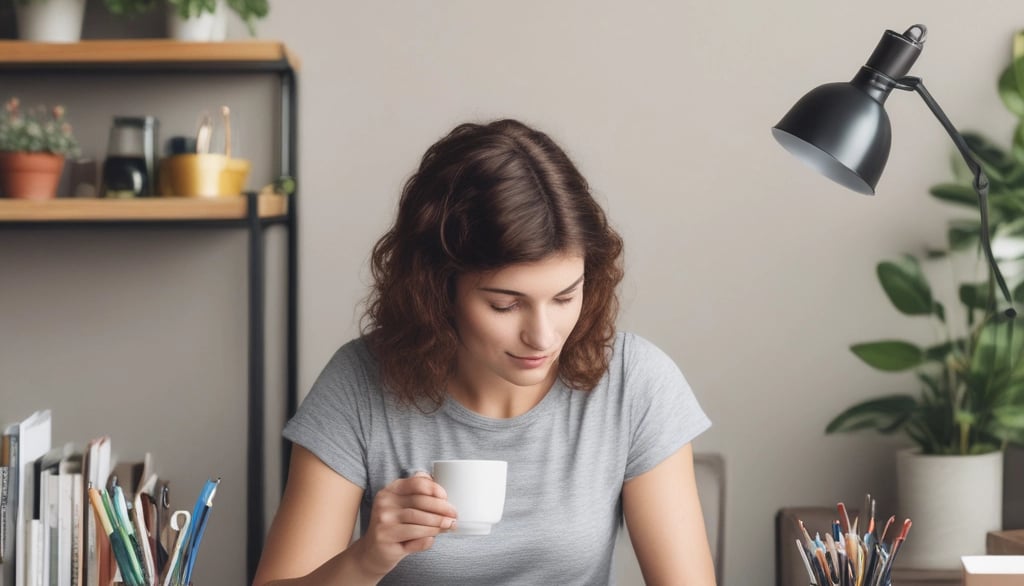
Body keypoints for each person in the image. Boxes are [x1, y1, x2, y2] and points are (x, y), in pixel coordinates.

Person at [252, 119, 715, 585]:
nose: (542, 336)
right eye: (505, 304)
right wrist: (366, 558)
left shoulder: (635, 384)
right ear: (436, 291)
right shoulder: (360, 384)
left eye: (564, 297)